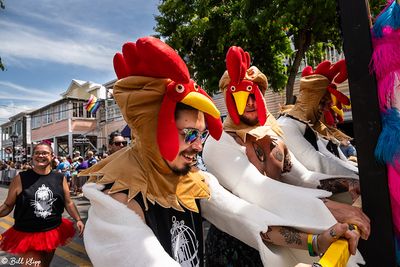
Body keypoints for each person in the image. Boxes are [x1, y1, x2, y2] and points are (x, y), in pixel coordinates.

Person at [80, 37, 362, 267]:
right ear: (154, 131)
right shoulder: (115, 202)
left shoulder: (192, 179)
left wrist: (318, 240)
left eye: (200, 135)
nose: (199, 145)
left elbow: (246, 217)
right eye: (188, 134)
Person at [203, 46, 368, 266]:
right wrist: (333, 208)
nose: (251, 102)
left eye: (255, 94)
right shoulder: (217, 144)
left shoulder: (271, 135)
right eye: (243, 96)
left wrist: (348, 183)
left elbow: (302, 178)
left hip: (286, 238)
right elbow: (258, 189)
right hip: (239, 247)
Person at [0, 142, 84, 267]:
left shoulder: (60, 178)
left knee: (44, 264)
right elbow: (8, 205)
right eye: (37, 153)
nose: (41, 156)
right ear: (32, 156)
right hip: (27, 233)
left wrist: (78, 219)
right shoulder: (21, 178)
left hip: (52, 231)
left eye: (45, 153)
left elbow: (68, 202)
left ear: (52, 156)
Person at [277, 60, 359, 177]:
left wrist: (357, 173)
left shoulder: (306, 126)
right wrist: (357, 176)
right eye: (323, 102)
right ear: (310, 99)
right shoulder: (285, 125)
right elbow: (317, 163)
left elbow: (330, 158)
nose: (326, 109)